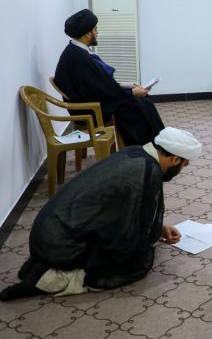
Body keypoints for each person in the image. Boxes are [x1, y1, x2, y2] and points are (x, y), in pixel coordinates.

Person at [0, 128, 201, 301]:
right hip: (62, 245)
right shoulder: (147, 171)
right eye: (183, 165)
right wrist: (148, 235)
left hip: (49, 233)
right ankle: (51, 280)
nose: (181, 171)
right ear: (175, 159)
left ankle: (45, 271)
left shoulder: (138, 152)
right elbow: (129, 227)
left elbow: (123, 210)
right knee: (137, 261)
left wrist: (158, 228)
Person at [54, 9, 164, 146]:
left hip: (93, 99)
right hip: (91, 109)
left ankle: (158, 143)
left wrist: (126, 86)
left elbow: (98, 84)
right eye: (95, 29)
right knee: (139, 105)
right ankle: (150, 146)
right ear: (87, 34)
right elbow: (100, 89)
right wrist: (131, 92)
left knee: (142, 101)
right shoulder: (78, 58)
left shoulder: (76, 51)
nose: (97, 32)